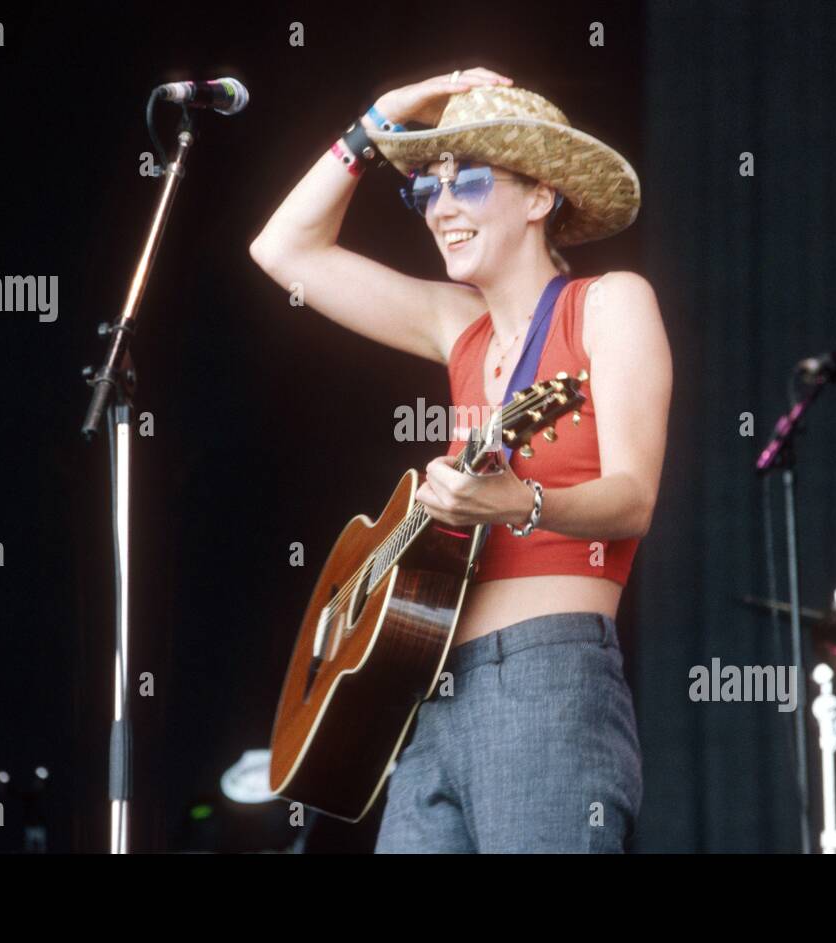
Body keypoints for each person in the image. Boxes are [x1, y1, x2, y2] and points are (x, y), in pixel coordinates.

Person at [250, 67, 672, 852]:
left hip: (547, 677)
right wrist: (383, 114)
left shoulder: (610, 303)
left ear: (541, 196)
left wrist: (522, 503)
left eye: (468, 182)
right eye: (427, 190)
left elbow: (633, 497)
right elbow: (283, 248)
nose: (441, 207)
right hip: (429, 691)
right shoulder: (459, 327)